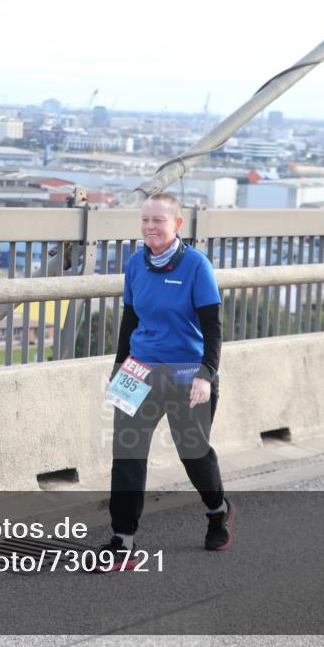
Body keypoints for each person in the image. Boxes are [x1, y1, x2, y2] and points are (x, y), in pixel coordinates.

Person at [96, 193, 235, 573]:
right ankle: (123, 540)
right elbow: (130, 321)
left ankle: (217, 511)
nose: (150, 227)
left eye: (159, 220)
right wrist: (119, 368)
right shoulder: (134, 264)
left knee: (193, 452)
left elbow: (213, 328)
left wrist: (206, 374)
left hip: (186, 372)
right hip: (140, 369)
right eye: (145, 219)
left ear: (177, 224)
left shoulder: (196, 265)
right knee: (127, 454)